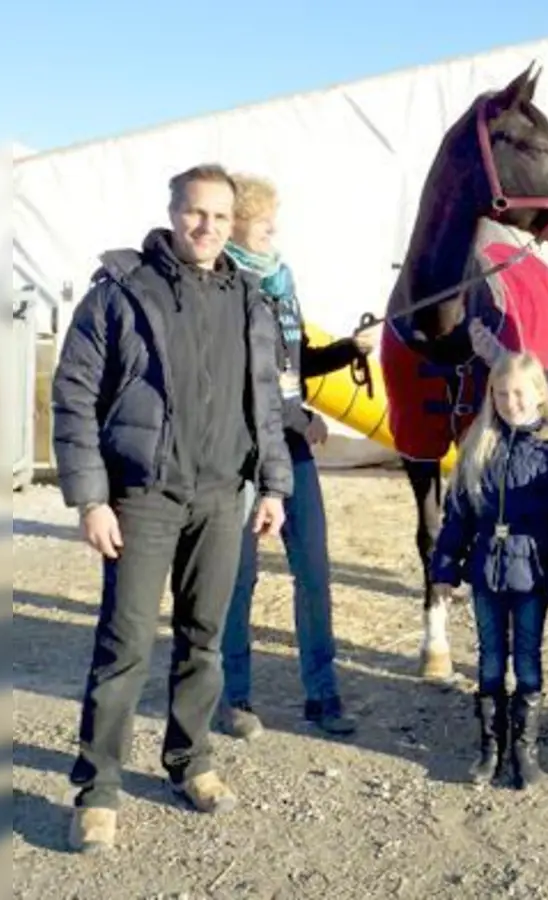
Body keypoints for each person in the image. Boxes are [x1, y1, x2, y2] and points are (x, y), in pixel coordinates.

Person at [51, 162, 293, 853]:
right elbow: (73, 397)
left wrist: (274, 486)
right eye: (195, 212)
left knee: (204, 642)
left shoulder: (249, 298)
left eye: (219, 216)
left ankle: (191, 760)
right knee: (123, 647)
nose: (206, 226)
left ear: (231, 222)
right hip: (142, 499)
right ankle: (98, 789)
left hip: (221, 498)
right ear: (171, 210)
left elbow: (267, 403)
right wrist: (91, 498)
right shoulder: (121, 294)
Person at [215, 173, 375, 741]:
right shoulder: (221, 285)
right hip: (240, 453)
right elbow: (243, 381)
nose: (273, 234)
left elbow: (293, 365)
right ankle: (231, 696)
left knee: (314, 571)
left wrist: (342, 352)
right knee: (238, 578)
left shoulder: (281, 283)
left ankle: (323, 693)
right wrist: (300, 419)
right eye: (264, 225)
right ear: (234, 226)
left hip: (292, 450)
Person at [430, 351, 548, 789]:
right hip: (487, 572)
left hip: (532, 577)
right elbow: (457, 515)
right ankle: (491, 747)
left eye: (519, 392)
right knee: (491, 659)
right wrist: (445, 569)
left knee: (529, 661)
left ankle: (525, 748)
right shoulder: (478, 445)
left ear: (539, 392)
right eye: (501, 394)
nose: (511, 402)